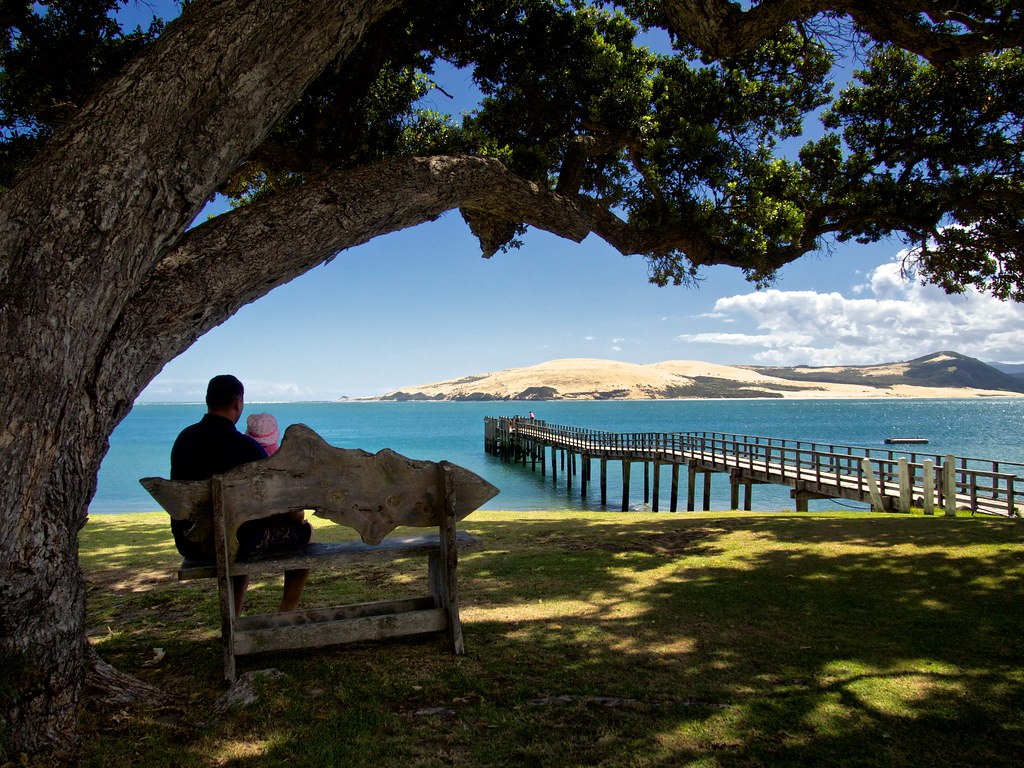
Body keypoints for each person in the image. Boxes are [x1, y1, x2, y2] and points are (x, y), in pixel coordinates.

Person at [170, 375, 311, 613]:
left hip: (191, 542)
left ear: (208, 400)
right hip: (237, 543)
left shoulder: (184, 440)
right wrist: (296, 516)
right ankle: (287, 611)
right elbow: (281, 504)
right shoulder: (246, 448)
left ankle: (233, 616)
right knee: (304, 533)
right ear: (238, 403)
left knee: (238, 532)